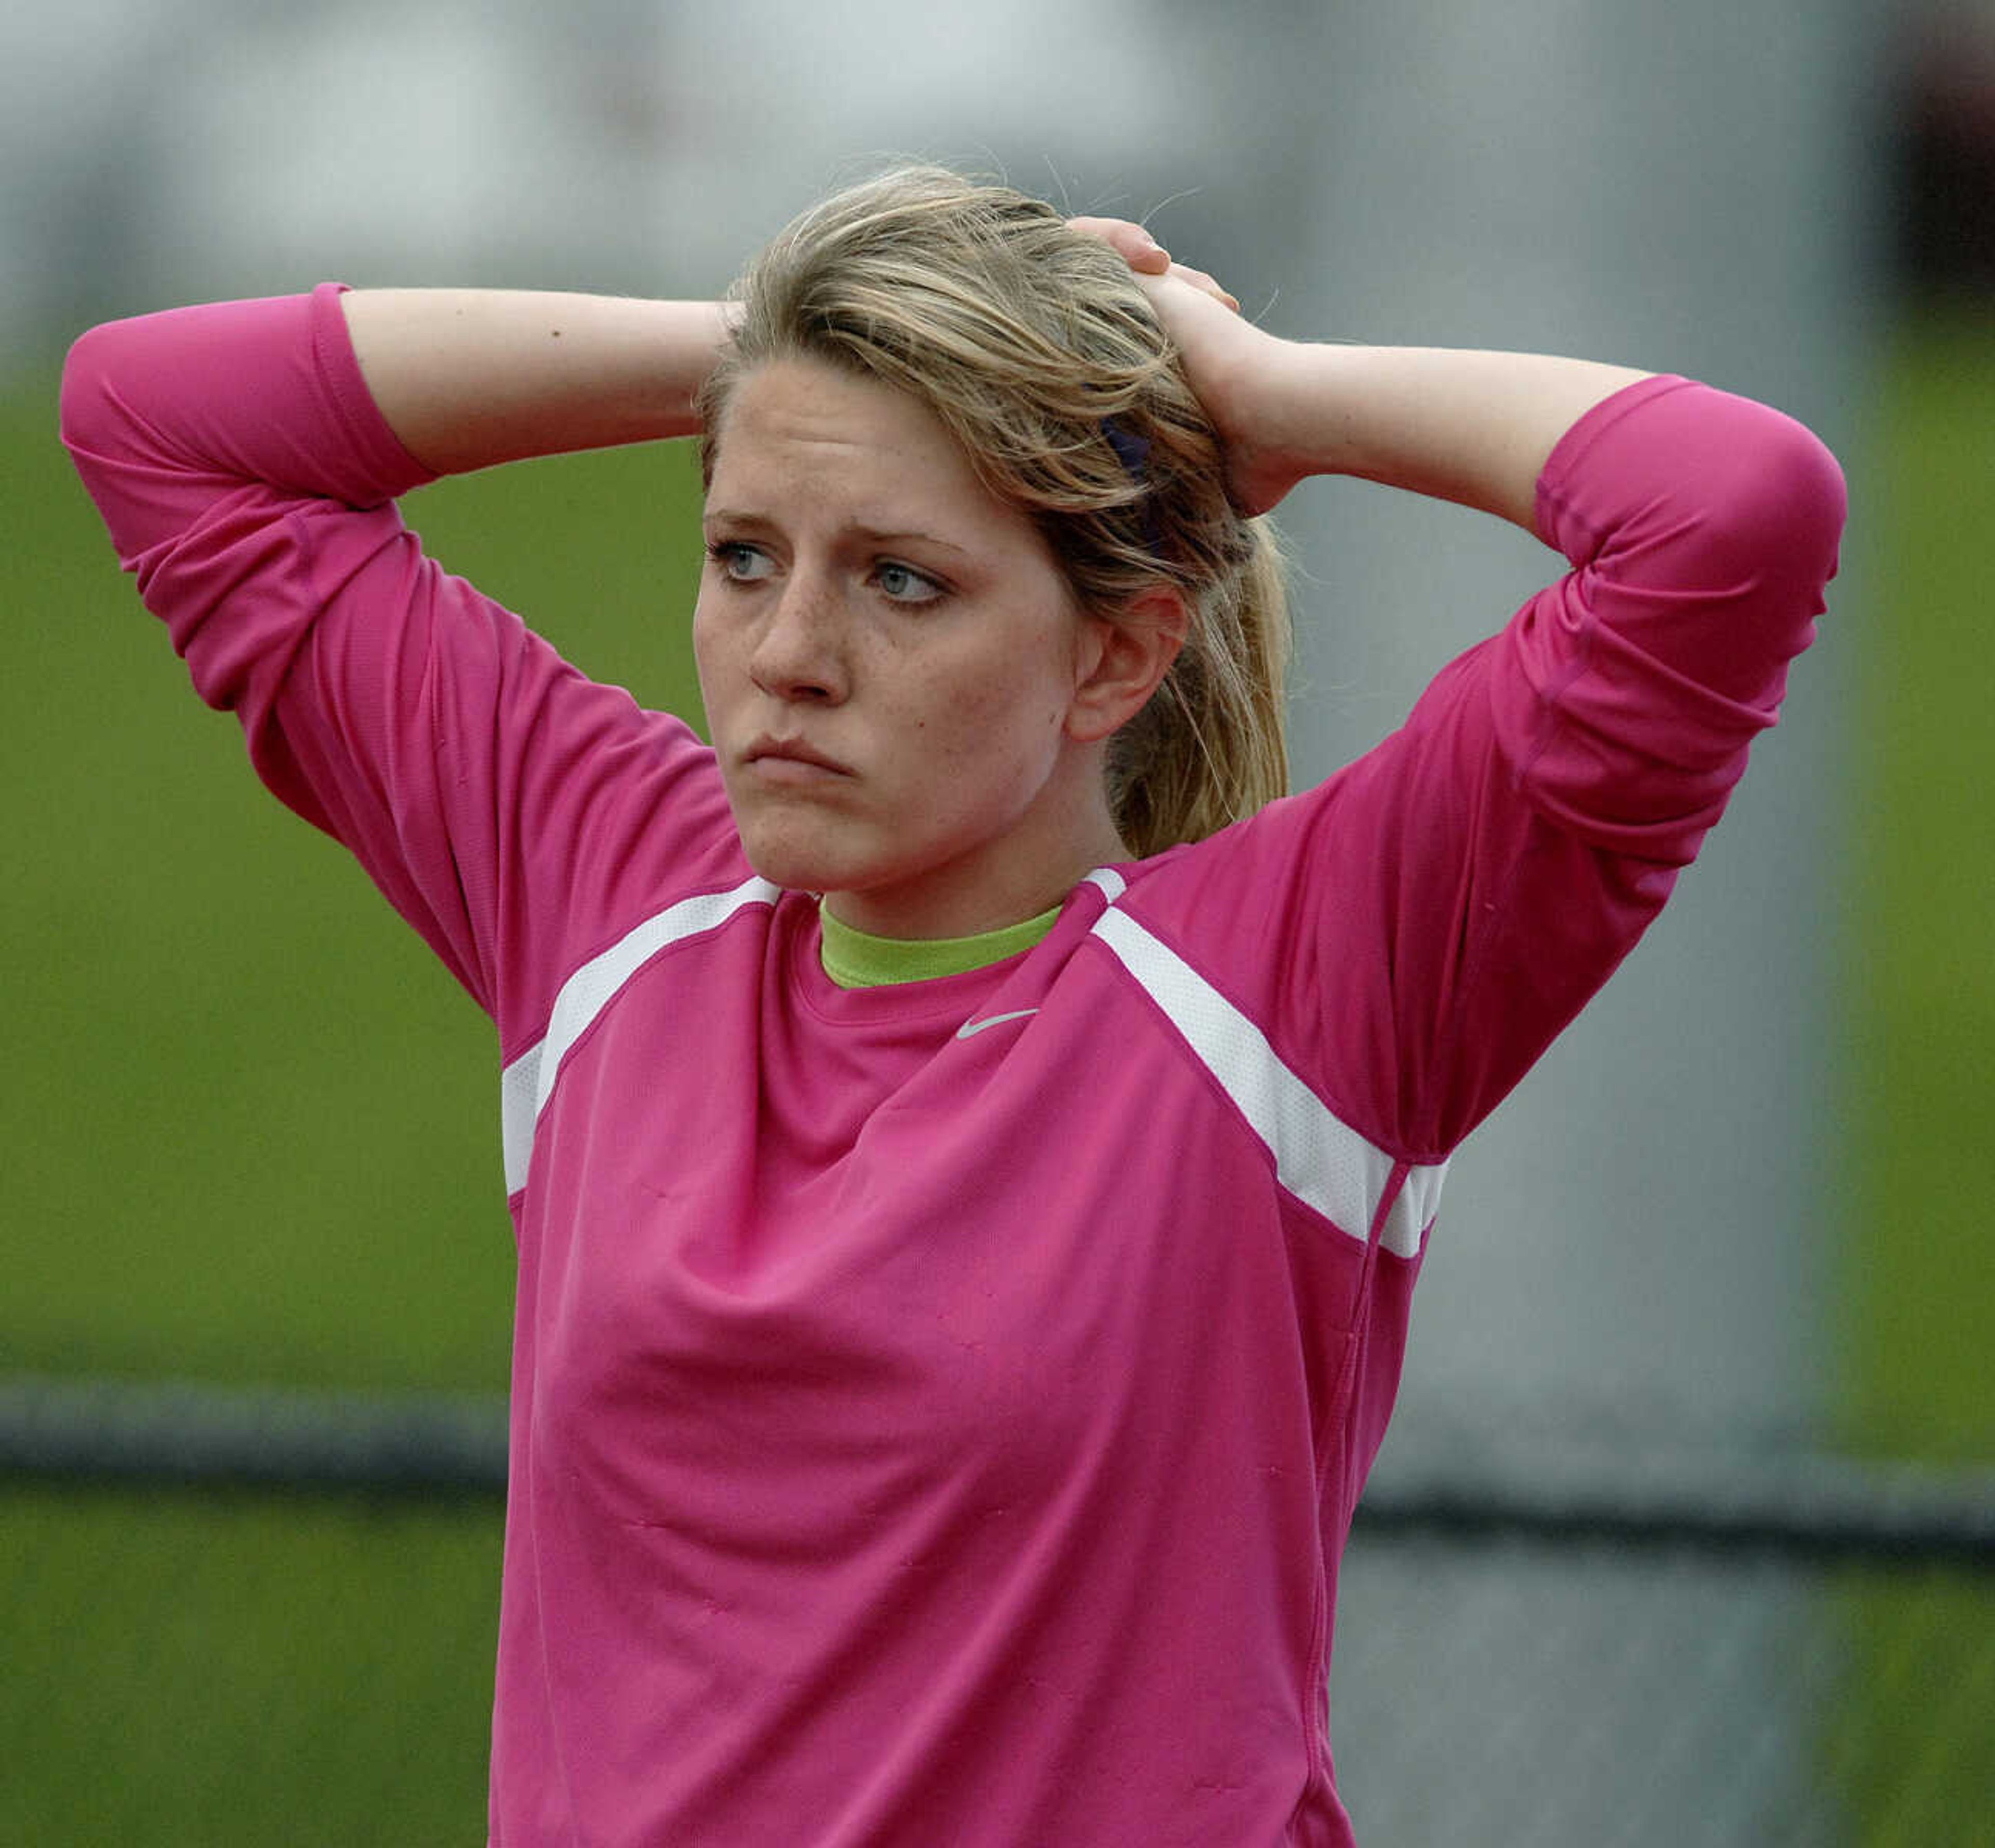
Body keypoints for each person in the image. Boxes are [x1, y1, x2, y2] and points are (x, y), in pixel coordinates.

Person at [61, 165, 1845, 1846]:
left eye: (901, 580)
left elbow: (1727, 512)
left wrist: (1255, 393)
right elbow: (156, 416)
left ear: (1118, 654)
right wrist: (782, 349)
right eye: (746, 554)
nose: (790, 657)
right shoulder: (605, 895)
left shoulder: (1302, 991)